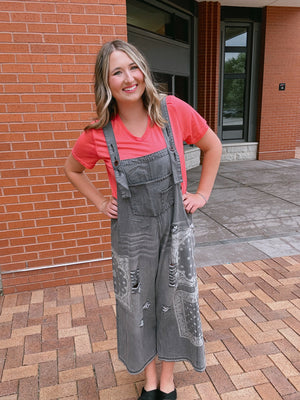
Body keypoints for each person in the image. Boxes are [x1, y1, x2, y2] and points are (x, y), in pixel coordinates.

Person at [64, 39, 222, 400]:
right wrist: (101, 202)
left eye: (133, 67)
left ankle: (167, 380)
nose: (128, 78)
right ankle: (148, 378)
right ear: (106, 83)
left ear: (144, 71)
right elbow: (73, 170)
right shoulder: (97, 135)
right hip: (131, 233)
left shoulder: (173, 111)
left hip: (174, 228)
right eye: (117, 72)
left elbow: (213, 146)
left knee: (174, 297)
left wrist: (202, 194)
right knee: (135, 303)